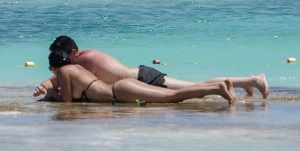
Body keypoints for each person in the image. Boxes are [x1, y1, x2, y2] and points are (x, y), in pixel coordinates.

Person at [33, 35, 268, 99]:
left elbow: (60, 79)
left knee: (193, 89)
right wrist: (43, 86)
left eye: (65, 59)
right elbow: (57, 78)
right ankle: (247, 83)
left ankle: (253, 80)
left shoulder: (85, 59)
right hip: (139, 79)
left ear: (73, 53)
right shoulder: (78, 60)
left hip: (145, 78)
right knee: (192, 90)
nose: (65, 64)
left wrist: (47, 88)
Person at [45, 49, 236, 104]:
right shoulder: (77, 69)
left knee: (174, 97)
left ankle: (217, 88)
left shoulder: (63, 71)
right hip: (123, 87)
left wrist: (53, 95)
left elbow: (67, 104)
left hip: (121, 92)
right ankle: (218, 86)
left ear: (55, 66)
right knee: (175, 96)